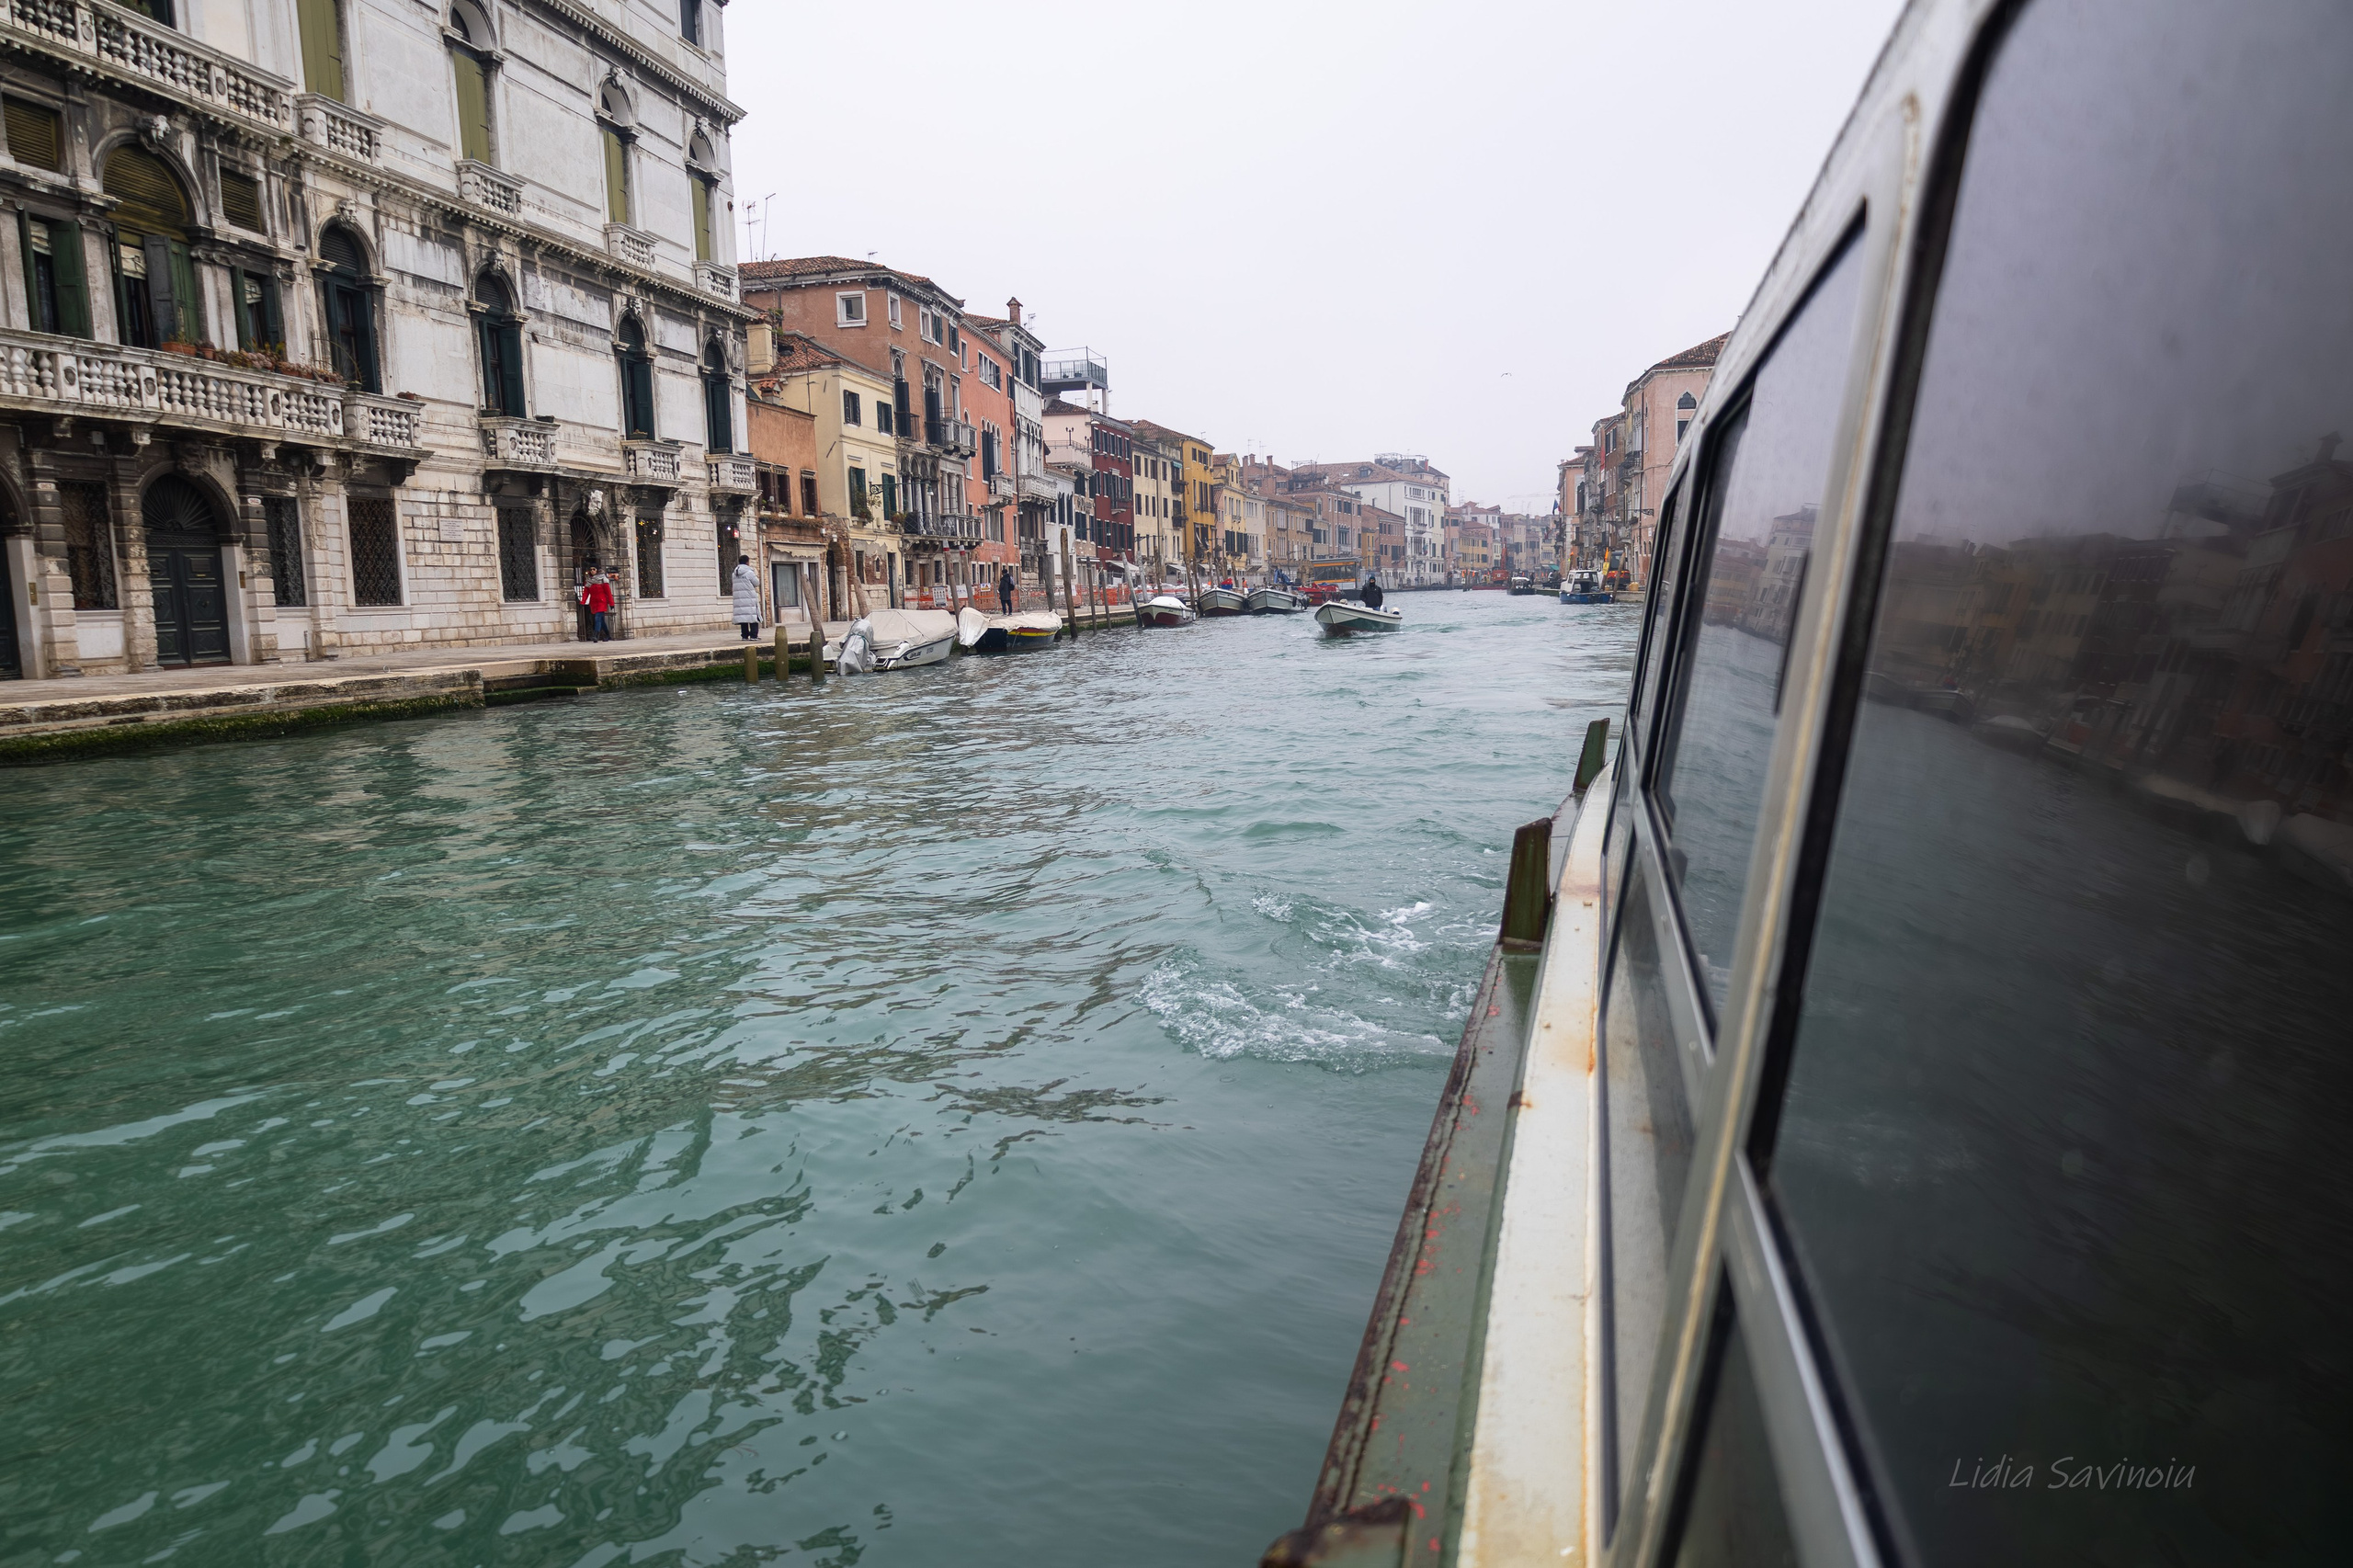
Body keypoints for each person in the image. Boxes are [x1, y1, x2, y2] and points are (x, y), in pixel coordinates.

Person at [581, 566, 615, 642]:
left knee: (597, 618)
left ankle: (595, 635)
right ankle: (608, 635)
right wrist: (583, 601)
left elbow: (608, 592)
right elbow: (586, 593)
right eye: (591, 569)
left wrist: (611, 603)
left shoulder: (603, 579)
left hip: (602, 602)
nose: (592, 571)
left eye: (594, 569)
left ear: (597, 570)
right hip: (593, 603)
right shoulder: (589, 580)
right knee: (601, 620)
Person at [732, 553, 761, 638]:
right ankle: (753, 636)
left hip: (739, 599)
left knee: (743, 617)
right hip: (749, 598)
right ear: (747, 562)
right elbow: (757, 583)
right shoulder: (749, 572)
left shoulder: (734, 574)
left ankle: (744, 636)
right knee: (753, 616)